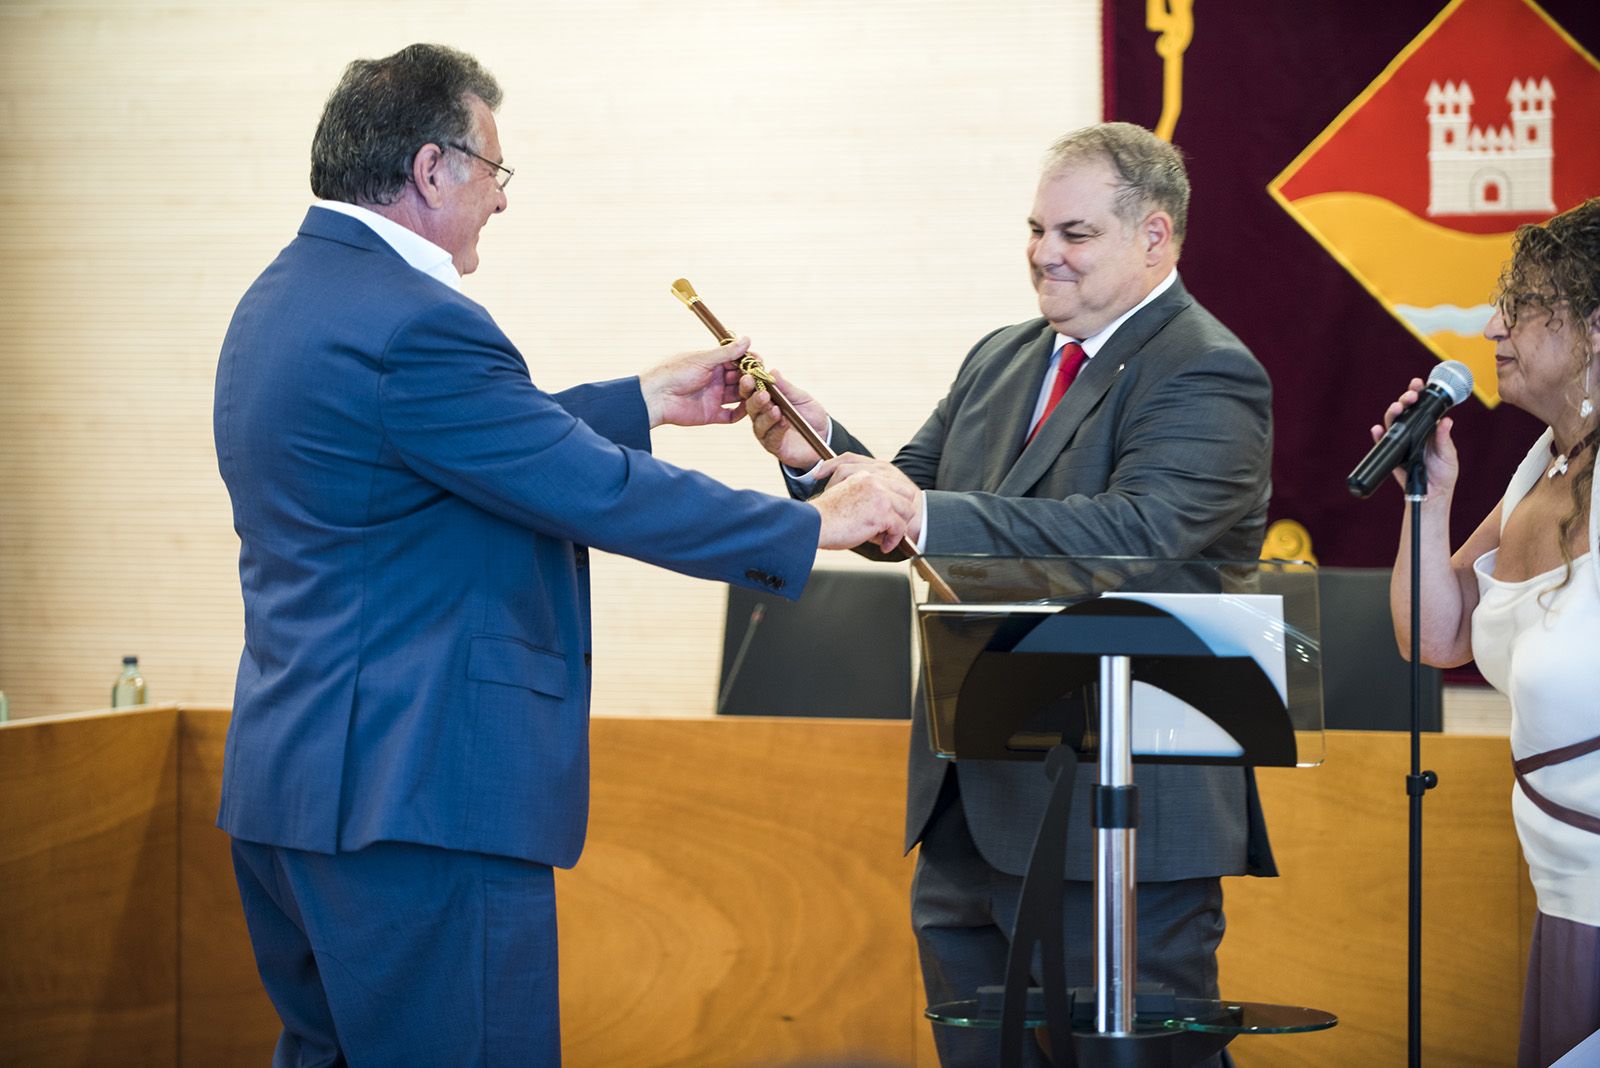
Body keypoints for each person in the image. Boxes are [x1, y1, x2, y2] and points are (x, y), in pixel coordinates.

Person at [212, 43, 914, 1066]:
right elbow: (592, 491)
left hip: (294, 791)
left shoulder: (285, 300)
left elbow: (440, 450)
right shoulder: (419, 327)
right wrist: (816, 525)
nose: (501, 201)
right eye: (496, 173)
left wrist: (639, 403)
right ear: (432, 168)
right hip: (418, 803)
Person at [743, 122, 1275, 1066]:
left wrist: (923, 511)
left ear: (1155, 237)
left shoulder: (1207, 369)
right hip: (967, 805)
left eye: (1074, 234)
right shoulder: (1002, 355)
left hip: (1121, 816)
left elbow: (1135, 539)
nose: (1042, 253)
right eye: (1034, 229)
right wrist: (818, 455)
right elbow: (909, 497)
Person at [1384, 197, 1600, 1068]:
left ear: (1594, 328)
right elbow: (1437, 638)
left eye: (1522, 304)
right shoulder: (1541, 463)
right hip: (1562, 887)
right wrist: (1428, 499)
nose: (1490, 326)